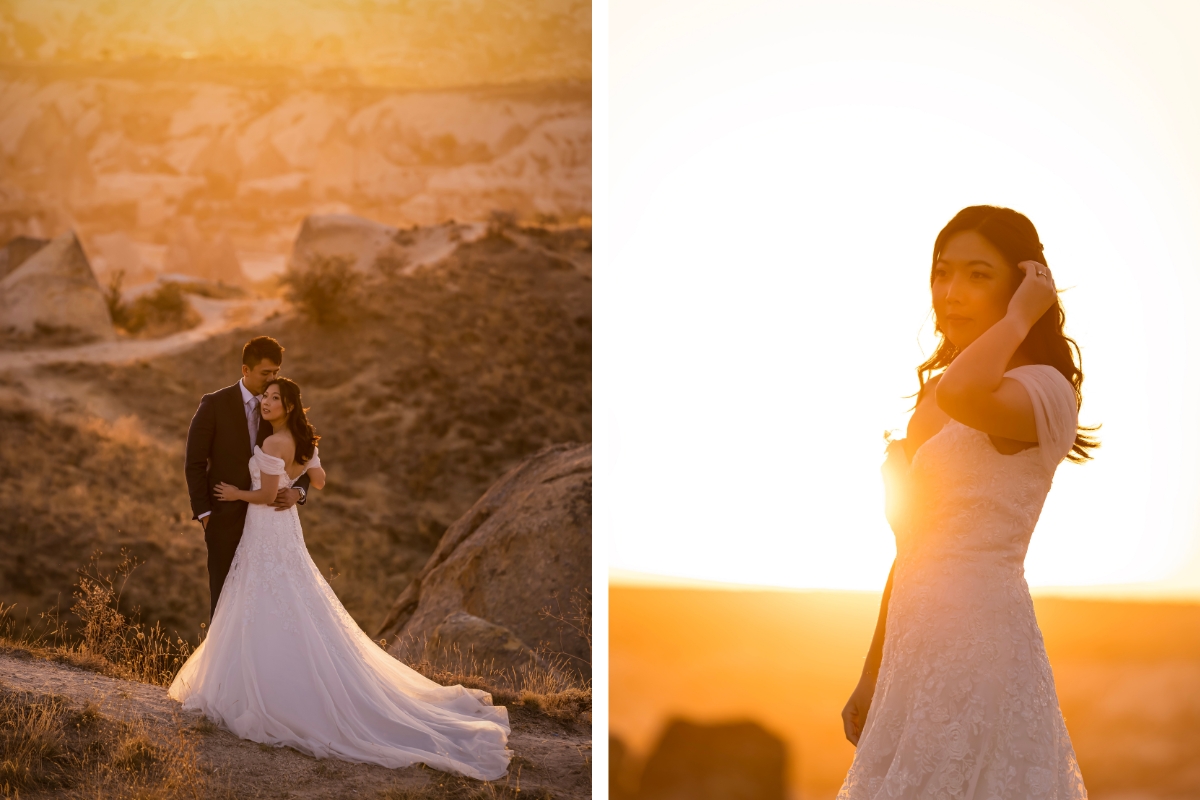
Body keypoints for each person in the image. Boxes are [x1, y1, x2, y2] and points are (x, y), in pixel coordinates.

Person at [838, 206, 1094, 797]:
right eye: (943, 272)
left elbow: (964, 392)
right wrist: (872, 670)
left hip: (981, 642)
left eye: (979, 274)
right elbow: (911, 549)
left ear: (1024, 283)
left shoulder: (1042, 390)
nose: (952, 292)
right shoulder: (938, 394)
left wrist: (1022, 317)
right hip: (912, 647)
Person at [169, 377, 511, 780]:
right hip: (282, 530)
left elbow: (265, 495)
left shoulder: (276, 442)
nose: (266, 401)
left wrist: (237, 495)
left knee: (267, 596)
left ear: (290, 406)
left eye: (275, 398)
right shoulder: (300, 441)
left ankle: (266, 690)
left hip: (265, 526)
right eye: (265, 396)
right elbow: (320, 478)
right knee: (288, 596)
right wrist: (297, 488)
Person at [185, 336, 311, 619]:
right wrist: (206, 514)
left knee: (269, 604)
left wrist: (299, 492)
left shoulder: (280, 406)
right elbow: (194, 463)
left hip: (269, 524)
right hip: (223, 519)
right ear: (245, 370)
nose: (272, 380)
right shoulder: (214, 405)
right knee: (224, 603)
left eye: (276, 373)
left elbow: (305, 454)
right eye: (265, 373)